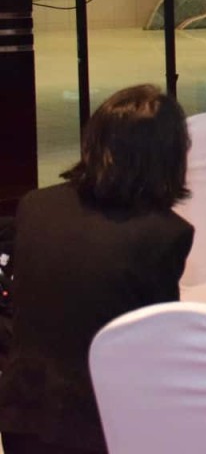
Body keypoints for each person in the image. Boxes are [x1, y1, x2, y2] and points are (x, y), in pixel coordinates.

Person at [0, 85, 195, 454]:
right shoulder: (165, 233)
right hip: (102, 429)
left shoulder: (35, 205)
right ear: (168, 156)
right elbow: (155, 346)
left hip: (20, 416)